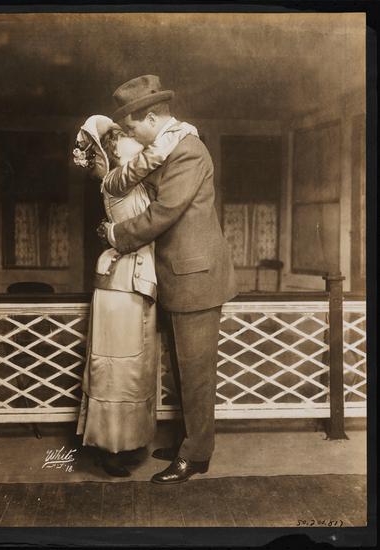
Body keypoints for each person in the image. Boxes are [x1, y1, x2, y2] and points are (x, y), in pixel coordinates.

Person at [99, 75, 237, 484]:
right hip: (180, 274)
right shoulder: (166, 147)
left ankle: (196, 455)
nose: (131, 136)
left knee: (196, 373)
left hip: (196, 277)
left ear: (152, 118)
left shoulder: (187, 150)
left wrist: (115, 235)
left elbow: (164, 213)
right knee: (182, 369)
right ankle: (189, 442)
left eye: (132, 128)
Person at [74, 114, 198, 477]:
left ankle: (128, 443)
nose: (96, 164)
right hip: (121, 283)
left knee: (135, 365)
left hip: (134, 279)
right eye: (118, 145)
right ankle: (111, 447)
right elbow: (152, 157)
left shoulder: (126, 179)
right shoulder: (116, 182)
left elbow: (150, 163)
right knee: (118, 365)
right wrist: (183, 131)